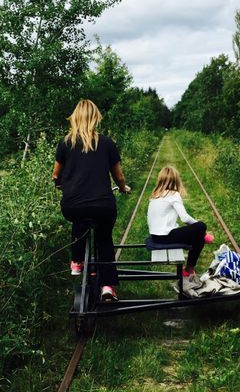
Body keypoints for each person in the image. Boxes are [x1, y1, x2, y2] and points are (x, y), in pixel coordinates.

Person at [52, 99, 130, 301]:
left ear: (75, 118)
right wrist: (123, 188)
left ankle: (77, 262)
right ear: (95, 118)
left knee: (79, 220)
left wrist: (61, 185)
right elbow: (119, 176)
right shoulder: (106, 143)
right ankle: (107, 287)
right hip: (102, 205)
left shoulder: (65, 143)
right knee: (104, 238)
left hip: (73, 205)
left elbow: (55, 175)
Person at [147, 166, 207, 277]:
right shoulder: (174, 194)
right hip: (166, 236)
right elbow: (185, 218)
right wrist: (199, 225)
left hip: (155, 236)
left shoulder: (155, 195)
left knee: (199, 237)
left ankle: (189, 270)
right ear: (176, 180)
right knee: (201, 226)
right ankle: (189, 270)